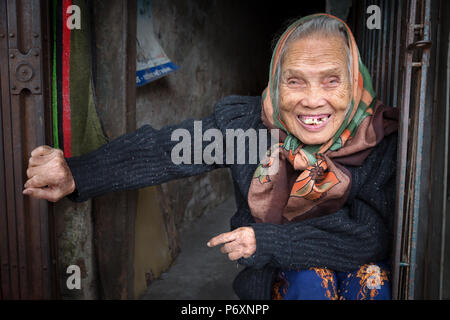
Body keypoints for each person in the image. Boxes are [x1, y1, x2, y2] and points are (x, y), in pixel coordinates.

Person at [23, 14, 398, 300]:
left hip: (347, 263)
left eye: (332, 80)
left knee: (375, 279)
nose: (313, 99)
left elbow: (369, 235)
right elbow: (168, 149)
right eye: (295, 80)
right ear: (274, 81)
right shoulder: (249, 128)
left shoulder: (373, 139)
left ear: (355, 82)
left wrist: (265, 241)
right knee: (310, 280)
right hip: (280, 274)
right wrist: (77, 172)